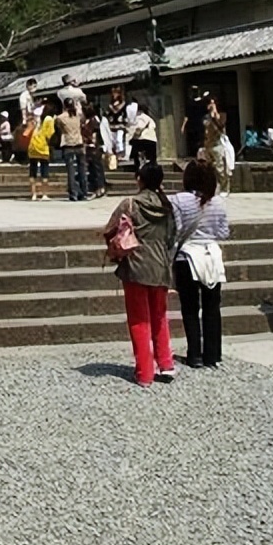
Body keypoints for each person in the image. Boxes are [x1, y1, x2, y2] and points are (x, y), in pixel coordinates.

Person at [104, 163, 177, 387]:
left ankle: (145, 372)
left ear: (139, 180)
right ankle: (166, 364)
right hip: (160, 265)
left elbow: (110, 228)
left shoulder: (131, 204)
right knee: (159, 316)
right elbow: (171, 236)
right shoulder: (167, 206)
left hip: (136, 265)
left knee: (139, 319)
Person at [171, 158, 230, 368]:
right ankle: (213, 354)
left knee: (190, 308)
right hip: (212, 254)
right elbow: (224, 232)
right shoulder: (218, 202)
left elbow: (176, 230)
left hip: (186, 255)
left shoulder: (178, 200)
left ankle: (194, 354)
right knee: (212, 307)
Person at [55, 99, 86, 202]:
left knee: (71, 171)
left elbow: (59, 128)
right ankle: (84, 192)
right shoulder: (78, 116)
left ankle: (73, 193)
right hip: (79, 143)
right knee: (82, 170)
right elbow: (83, 122)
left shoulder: (60, 118)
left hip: (68, 144)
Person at [28, 103, 57, 201]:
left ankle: (34, 194)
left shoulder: (36, 120)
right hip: (42, 146)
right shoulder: (49, 119)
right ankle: (44, 194)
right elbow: (49, 134)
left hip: (32, 145)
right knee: (44, 170)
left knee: (33, 170)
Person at [82, 102, 107, 199]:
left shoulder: (94, 121)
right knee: (93, 169)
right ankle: (97, 188)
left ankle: (99, 188)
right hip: (90, 147)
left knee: (97, 169)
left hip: (94, 147)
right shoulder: (88, 121)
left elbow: (95, 134)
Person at [128, 104, 158, 170]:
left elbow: (139, 126)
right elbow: (153, 126)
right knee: (151, 157)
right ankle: (152, 168)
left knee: (138, 154)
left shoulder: (140, 117)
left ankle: (140, 168)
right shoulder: (149, 118)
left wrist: (132, 135)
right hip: (151, 139)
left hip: (142, 139)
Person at [104, 86, 129, 164]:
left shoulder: (123, 103)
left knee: (119, 139)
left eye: (116, 93)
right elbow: (109, 112)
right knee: (113, 140)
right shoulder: (111, 104)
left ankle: (120, 153)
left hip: (120, 124)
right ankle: (115, 154)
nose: (114, 95)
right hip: (112, 124)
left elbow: (120, 111)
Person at [181, 86, 207, 157]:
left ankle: (201, 156)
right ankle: (194, 156)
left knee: (200, 141)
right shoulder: (190, 103)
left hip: (199, 125)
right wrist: (183, 126)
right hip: (193, 126)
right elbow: (187, 116)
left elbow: (205, 115)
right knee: (193, 142)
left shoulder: (202, 102)